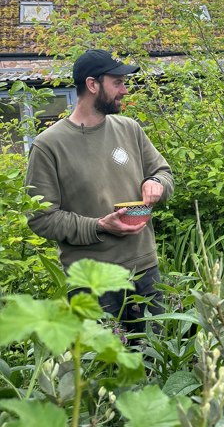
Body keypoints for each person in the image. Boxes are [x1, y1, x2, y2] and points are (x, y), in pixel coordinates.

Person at [26, 49, 174, 331]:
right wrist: (99, 226)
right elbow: (41, 217)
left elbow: (163, 173)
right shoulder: (49, 146)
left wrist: (156, 183)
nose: (125, 90)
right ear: (92, 85)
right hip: (92, 282)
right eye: (117, 82)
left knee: (155, 364)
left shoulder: (129, 129)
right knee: (105, 371)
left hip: (145, 271)